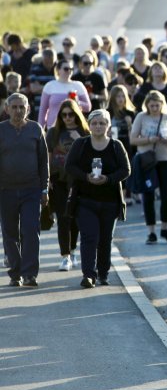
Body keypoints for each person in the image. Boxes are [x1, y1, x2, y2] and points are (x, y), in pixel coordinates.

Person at [64, 109, 130, 288]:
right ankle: (88, 275)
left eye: (102, 123)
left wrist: (108, 179)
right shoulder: (81, 144)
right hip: (85, 201)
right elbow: (69, 166)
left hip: (110, 202)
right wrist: (86, 177)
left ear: (108, 125)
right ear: (89, 125)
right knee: (89, 236)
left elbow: (125, 170)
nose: (98, 126)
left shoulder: (116, 145)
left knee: (105, 239)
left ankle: (103, 273)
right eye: (94, 123)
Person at [0, 93, 49, 287]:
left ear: (28, 109)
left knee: (30, 230)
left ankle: (30, 274)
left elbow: (43, 162)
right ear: (7, 109)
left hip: (31, 189)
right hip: (6, 190)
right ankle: (15, 272)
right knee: (9, 233)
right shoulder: (1, 130)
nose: (18, 111)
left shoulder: (35, 129)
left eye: (22, 107)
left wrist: (44, 189)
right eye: (15, 107)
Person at [130, 90, 167, 244]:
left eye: (157, 106)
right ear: (147, 105)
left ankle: (164, 228)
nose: (154, 108)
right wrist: (148, 139)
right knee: (148, 194)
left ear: (162, 104)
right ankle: (151, 231)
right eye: (151, 106)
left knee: (166, 194)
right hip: (147, 159)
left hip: (165, 158)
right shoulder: (141, 117)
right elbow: (133, 139)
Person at [47, 99, 89, 271]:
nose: (67, 118)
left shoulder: (84, 131)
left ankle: (72, 251)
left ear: (76, 115)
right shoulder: (53, 132)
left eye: (71, 114)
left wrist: (78, 138)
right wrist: (47, 178)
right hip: (58, 179)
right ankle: (65, 256)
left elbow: (89, 154)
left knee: (75, 218)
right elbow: (48, 157)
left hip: (78, 179)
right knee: (62, 218)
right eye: (64, 115)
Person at [38, 59, 91, 128]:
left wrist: (77, 102)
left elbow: (88, 107)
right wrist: (40, 128)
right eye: (66, 69)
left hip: (74, 126)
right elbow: (42, 110)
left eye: (71, 69)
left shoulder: (78, 85)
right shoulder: (50, 86)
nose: (69, 71)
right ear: (58, 70)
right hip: (53, 127)